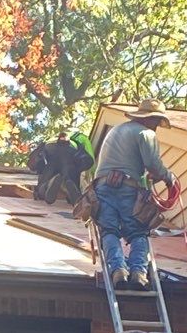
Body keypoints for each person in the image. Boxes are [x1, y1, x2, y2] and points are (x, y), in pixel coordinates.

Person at [93, 101, 176, 288]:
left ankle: (118, 270)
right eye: (156, 121)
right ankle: (138, 272)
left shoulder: (115, 130)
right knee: (138, 231)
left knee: (109, 230)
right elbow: (153, 164)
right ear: (151, 119)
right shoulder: (146, 133)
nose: (156, 126)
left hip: (102, 187)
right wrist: (168, 177)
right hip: (128, 188)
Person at [28, 127, 95, 206]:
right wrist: (84, 171)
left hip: (50, 149)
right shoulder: (80, 138)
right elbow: (90, 160)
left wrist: (39, 166)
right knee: (70, 176)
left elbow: (34, 160)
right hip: (72, 150)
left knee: (47, 175)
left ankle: (47, 186)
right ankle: (72, 190)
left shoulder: (52, 138)